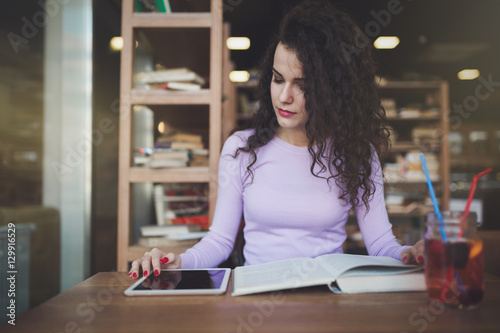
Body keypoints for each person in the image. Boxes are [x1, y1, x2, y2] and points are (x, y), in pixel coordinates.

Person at [129, 0, 424, 280]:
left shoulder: (358, 154)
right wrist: (180, 261)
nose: (284, 97)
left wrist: (412, 254)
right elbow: (219, 241)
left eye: (302, 85)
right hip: (255, 298)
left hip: (325, 301)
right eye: (278, 78)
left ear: (332, 90)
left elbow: (382, 245)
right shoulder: (242, 149)